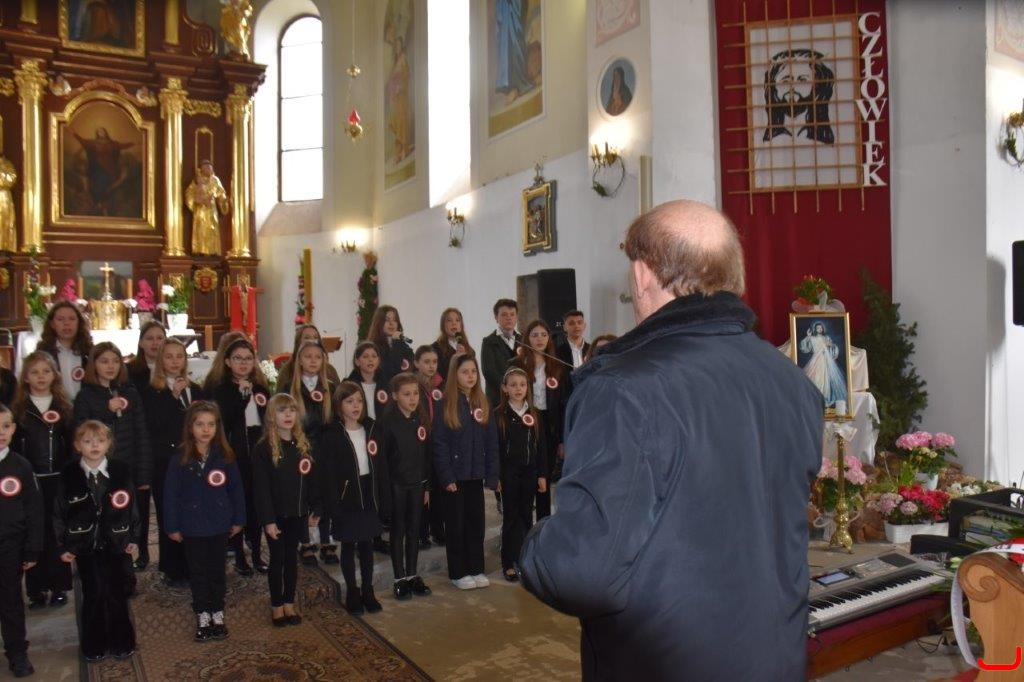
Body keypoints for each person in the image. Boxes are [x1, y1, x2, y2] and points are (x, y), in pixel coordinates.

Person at [518, 200, 823, 680]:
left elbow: (584, 572)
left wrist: (536, 545)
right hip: (772, 659)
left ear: (642, 274)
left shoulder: (624, 388)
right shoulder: (790, 381)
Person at [55, 420, 139, 663]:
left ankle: (122, 641)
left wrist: (133, 538)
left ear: (108, 444)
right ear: (77, 445)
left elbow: (132, 508)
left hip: (116, 542)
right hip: (84, 545)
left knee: (116, 592)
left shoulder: (120, 471)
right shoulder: (69, 475)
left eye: (100, 441)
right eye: (88, 441)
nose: (94, 446)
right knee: (93, 592)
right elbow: (59, 512)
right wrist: (63, 544)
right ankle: (94, 643)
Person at [163, 402, 245, 642]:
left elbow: (236, 490)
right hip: (192, 525)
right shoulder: (179, 458)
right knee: (198, 572)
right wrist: (172, 526)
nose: (206, 429)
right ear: (190, 427)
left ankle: (217, 611)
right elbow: (170, 495)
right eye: (200, 424)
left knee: (217, 571)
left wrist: (239, 518)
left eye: (210, 424)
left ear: (217, 427)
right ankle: (202, 613)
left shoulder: (225, 456)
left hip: (219, 523)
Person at [73, 342, 152, 576]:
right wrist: (106, 411)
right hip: (100, 469)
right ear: (94, 364)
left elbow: (141, 432)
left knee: (130, 519)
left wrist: (144, 473)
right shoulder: (85, 396)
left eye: (116, 361)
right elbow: (81, 432)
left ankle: (132, 565)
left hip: (128, 467)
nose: (110, 366)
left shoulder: (130, 392)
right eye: (104, 361)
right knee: (106, 521)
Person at [311, 382, 383, 615]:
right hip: (346, 495)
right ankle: (352, 591)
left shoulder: (370, 428)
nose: (356, 406)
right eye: (349, 401)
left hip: (368, 492)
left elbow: (380, 464)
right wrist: (327, 503)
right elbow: (327, 473)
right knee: (349, 545)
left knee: (367, 544)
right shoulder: (332, 435)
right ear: (339, 405)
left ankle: (368, 590)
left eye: (359, 401)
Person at [432, 353, 499, 590]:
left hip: (475, 474)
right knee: (456, 526)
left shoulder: (483, 402)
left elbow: (491, 441)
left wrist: (492, 474)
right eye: (464, 372)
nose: (470, 376)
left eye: (473, 372)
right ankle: (458, 572)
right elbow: (439, 443)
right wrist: (446, 476)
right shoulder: (445, 404)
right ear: (455, 375)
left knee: (475, 524)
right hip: (455, 476)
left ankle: (476, 568)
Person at [142, 338, 206, 585]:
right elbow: (156, 425)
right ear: (161, 360)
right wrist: (173, 396)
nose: (174, 361)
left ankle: (193, 562)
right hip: (166, 461)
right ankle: (171, 566)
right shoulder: (152, 391)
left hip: (193, 458)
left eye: (179, 356)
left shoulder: (196, 389)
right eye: (169, 356)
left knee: (192, 509)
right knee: (169, 510)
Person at [12, 352, 73, 610]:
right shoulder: (19, 410)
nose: (40, 377)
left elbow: (71, 444)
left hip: (57, 478)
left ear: (54, 376)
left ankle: (59, 586)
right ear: (26, 377)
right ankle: (36, 589)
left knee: (57, 531)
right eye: (35, 372)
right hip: (31, 479)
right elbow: (14, 446)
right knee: (33, 533)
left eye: (46, 371)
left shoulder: (63, 407)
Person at [252, 394, 314, 627]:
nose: (288, 415)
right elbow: (261, 489)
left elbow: (309, 482)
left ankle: (289, 601)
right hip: (276, 516)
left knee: (291, 559)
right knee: (277, 559)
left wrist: (311, 508)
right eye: (281, 410)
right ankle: (276, 605)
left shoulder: (302, 445)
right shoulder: (263, 449)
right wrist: (268, 520)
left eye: (292, 410)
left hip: (296, 513)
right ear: (271, 416)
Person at [211, 338, 270, 576]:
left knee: (256, 503)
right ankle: (238, 554)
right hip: (234, 451)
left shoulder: (261, 388)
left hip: (257, 448)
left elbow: (268, 419)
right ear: (227, 362)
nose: (243, 363)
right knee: (238, 502)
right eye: (238, 358)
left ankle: (256, 552)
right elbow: (224, 421)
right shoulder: (221, 390)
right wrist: (242, 397)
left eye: (248, 358)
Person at [377, 373, 432, 600]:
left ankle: (412, 574)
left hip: (417, 484)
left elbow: (425, 455)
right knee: (398, 531)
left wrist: (426, 486)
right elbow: (382, 461)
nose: (412, 398)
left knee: (414, 530)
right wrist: (385, 492)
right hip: (397, 486)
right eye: (406, 394)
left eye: (415, 393)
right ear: (394, 396)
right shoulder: (387, 423)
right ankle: (399, 578)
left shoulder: (420, 419)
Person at [509, 320, 567, 519]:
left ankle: (543, 521)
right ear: (527, 338)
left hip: (549, 424)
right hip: (524, 421)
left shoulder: (557, 366)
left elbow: (563, 405)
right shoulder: (516, 364)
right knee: (526, 473)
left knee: (545, 475)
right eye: (535, 335)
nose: (540, 339)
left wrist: (562, 439)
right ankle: (522, 522)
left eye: (544, 335)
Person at [0, 405, 43, 678]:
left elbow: (34, 510)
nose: (0, 432)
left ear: (14, 428)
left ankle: (17, 652)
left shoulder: (21, 466)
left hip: (10, 544)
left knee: (11, 600)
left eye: (5, 426)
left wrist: (32, 547)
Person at [287, 341, 338, 566]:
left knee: (325, 494)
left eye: (318, 357)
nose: (313, 361)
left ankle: (326, 540)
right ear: (299, 360)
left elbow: (335, 420)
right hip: (300, 448)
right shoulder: (290, 388)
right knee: (304, 494)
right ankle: (305, 542)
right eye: (308, 356)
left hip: (325, 449)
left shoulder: (330, 388)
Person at [494, 367, 546, 582]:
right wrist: (496, 476)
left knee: (526, 516)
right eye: (513, 385)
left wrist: (542, 474)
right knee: (511, 517)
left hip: (529, 473)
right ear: (505, 388)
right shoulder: (499, 415)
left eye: (522, 385)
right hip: (508, 473)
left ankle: (525, 560)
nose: (518, 389)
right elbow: (496, 448)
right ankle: (508, 562)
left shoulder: (535, 414)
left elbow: (541, 447)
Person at [413, 345, 444, 546]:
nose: (431, 366)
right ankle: (421, 533)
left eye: (434, 362)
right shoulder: (412, 385)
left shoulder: (441, 384)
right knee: (422, 488)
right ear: (416, 363)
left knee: (439, 488)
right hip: (419, 443)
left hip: (438, 442)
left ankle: (438, 530)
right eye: (426, 362)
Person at [37, 301, 93, 401]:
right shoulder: (43, 352)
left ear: (79, 323)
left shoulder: (89, 351)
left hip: (86, 405)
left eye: (72, 319)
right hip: (55, 405)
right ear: (52, 324)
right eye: (60, 319)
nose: (66, 323)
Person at [276, 324, 343, 392]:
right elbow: (280, 396)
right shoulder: (287, 370)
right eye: (307, 338)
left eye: (315, 337)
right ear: (298, 342)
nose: (312, 341)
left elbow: (338, 396)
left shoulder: (330, 370)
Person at [799, 321, 849, 409]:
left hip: (825, 360)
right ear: (815, 329)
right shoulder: (812, 338)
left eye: (820, 328)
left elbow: (833, 347)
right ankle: (815, 397)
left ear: (823, 329)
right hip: (816, 359)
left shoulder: (826, 338)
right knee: (816, 377)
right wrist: (808, 336)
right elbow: (804, 347)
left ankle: (824, 397)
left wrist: (831, 345)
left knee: (825, 377)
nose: (819, 329)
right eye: (817, 328)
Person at [481, 299, 521, 407]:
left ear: (516, 317)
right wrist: (508, 388)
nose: (509, 318)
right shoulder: (489, 341)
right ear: (496, 317)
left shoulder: (523, 340)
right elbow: (489, 371)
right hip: (497, 399)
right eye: (504, 314)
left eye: (512, 314)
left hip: (521, 398)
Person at [185, 161, 230, 256]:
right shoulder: (197, 181)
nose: (209, 169)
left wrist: (224, 201)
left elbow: (221, 194)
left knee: (212, 230)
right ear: (202, 169)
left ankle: (213, 251)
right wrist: (196, 200)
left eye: (210, 168)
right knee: (200, 230)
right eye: (206, 167)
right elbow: (189, 193)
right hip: (200, 211)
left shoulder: (215, 180)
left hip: (211, 210)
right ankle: (199, 251)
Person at [368, 306, 415, 388]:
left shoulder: (402, 344)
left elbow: (413, 366)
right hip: (385, 389)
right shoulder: (373, 347)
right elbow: (391, 370)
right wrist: (396, 343)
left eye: (395, 320)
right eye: (387, 320)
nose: (391, 323)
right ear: (379, 323)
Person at [346, 341, 389, 422]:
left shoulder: (386, 384)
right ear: (357, 362)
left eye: (374, 356)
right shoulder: (348, 385)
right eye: (365, 357)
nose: (370, 360)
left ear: (378, 361)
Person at [431, 308, 474, 384]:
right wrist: (455, 358)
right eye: (449, 320)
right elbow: (436, 375)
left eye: (457, 320)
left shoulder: (470, 350)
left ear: (461, 325)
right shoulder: (435, 348)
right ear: (443, 325)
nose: (454, 323)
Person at [126, 321, 166, 393]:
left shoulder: (173, 368)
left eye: (159, 338)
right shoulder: (128, 370)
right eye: (149, 338)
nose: (155, 343)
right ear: (140, 343)